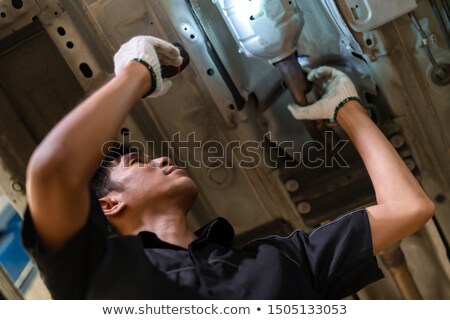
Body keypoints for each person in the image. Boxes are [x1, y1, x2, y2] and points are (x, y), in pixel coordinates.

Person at [22, 36, 435, 299]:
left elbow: (409, 208)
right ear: (108, 205)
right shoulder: (92, 273)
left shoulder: (282, 260)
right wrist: (137, 73)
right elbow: (52, 172)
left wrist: (347, 110)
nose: (163, 159)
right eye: (138, 161)